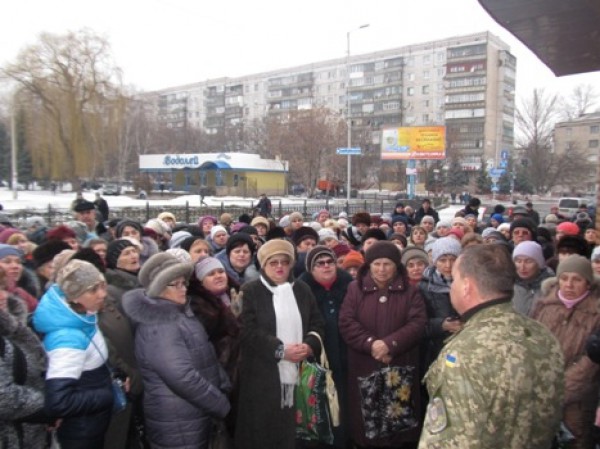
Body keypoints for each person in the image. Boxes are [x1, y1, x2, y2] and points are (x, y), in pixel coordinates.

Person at [419, 244, 564, 449]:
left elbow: (450, 440)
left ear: (467, 285)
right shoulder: (542, 335)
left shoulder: (465, 352)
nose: (452, 286)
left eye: (455, 279)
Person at [123, 253, 231, 449]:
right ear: (159, 288)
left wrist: (221, 382)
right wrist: (219, 403)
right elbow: (181, 377)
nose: (184, 289)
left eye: (184, 283)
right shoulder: (159, 324)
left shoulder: (179, 313)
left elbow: (204, 353)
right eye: (177, 284)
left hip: (192, 412)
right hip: (178, 419)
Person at [235, 239, 325, 449]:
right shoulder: (250, 291)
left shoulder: (302, 289)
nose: (279, 267)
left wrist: (310, 344)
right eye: (273, 262)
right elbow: (246, 330)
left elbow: (317, 322)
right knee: (264, 432)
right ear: (263, 266)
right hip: (262, 376)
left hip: (300, 373)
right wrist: (279, 350)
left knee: (296, 432)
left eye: (284, 262)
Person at [339, 241, 427, 448]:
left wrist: (390, 345)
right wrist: (372, 345)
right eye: (376, 264)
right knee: (368, 424)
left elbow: (417, 323)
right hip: (365, 364)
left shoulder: (410, 291)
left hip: (399, 362)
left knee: (399, 425)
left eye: (387, 264)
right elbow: (346, 322)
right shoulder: (355, 289)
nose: (381, 269)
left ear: (396, 266)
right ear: (368, 265)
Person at [33, 259, 114, 449]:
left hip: (89, 426)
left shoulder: (82, 317)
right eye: (94, 290)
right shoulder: (68, 339)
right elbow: (59, 402)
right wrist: (105, 395)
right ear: (75, 297)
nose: (103, 294)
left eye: (103, 286)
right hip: (80, 434)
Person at [533, 255, 600, 449]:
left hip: (578, 399)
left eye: (577, 279)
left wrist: (562, 388)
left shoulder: (596, 313)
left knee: (576, 440)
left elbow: (591, 361)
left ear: (588, 283)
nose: (569, 284)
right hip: (542, 391)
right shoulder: (544, 306)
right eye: (564, 278)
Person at [299, 246, 354, 448]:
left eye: (329, 262)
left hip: (347, 356)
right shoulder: (302, 290)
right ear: (311, 269)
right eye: (319, 263)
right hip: (318, 360)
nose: (326, 266)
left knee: (346, 406)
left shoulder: (349, 285)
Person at [0, 266, 49, 449]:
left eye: (3, 288)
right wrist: (46, 408)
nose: (3, 296)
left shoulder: (10, 327)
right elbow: (4, 397)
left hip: (28, 432)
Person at [418, 237, 462, 371]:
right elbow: (418, 324)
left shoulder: (467, 283)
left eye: (453, 259)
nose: (448, 265)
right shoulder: (424, 287)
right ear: (435, 261)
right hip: (436, 348)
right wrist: (441, 325)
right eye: (442, 260)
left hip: (463, 347)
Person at [511, 241, 554, 317]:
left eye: (528, 261)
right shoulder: (508, 286)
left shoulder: (550, 287)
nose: (522, 266)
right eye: (518, 261)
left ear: (539, 263)